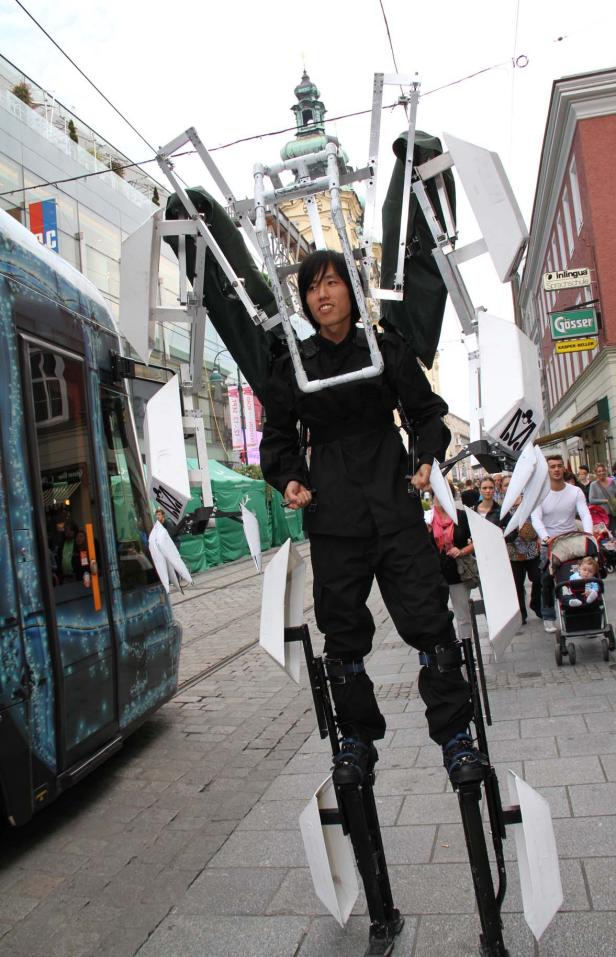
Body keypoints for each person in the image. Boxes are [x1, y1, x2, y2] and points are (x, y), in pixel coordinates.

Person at [260, 249, 484, 785]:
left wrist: (424, 460)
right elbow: (278, 435)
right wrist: (289, 477)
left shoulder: (384, 349)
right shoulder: (293, 363)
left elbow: (427, 413)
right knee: (341, 636)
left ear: (351, 291)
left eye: (333, 282)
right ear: (306, 300)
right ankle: (355, 741)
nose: (323, 295)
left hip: (393, 506)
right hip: (334, 517)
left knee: (431, 626)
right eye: (313, 287)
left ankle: (457, 737)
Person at [531, 454, 593, 633]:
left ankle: (584, 612)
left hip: (571, 541)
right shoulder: (540, 494)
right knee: (547, 580)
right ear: (547, 470)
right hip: (550, 543)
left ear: (564, 468)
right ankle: (549, 616)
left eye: (559, 466)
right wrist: (544, 537)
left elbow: (585, 513)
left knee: (580, 575)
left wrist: (589, 534)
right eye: (552, 467)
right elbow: (536, 517)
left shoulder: (575, 491)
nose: (556, 469)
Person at [427, 491, 476, 640]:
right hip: (435, 573)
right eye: (437, 495)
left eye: (444, 494)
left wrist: (461, 551)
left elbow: (476, 541)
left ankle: (468, 652)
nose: (440, 498)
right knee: (437, 616)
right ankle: (448, 650)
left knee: (462, 615)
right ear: (433, 497)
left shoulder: (461, 516)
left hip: (458, 571)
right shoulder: (427, 518)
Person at [500, 476, 541, 625]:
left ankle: (536, 603)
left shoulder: (528, 503)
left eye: (511, 484)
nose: (509, 487)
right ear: (502, 489)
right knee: (517, 585)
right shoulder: (502, 508)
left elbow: (536, 522)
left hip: (531, 550)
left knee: (538, 578)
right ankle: (521, 614)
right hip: (513, 553)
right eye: (506, 485)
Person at [589, 463, 616, 531]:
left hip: (613, 512)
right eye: (599, 471)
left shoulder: (612, 482)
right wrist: (605, 501)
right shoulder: (593, 485)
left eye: (603, 470)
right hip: (602, 515)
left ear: (605, 471)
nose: (602, 473)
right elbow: (591, 500)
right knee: (606, 535)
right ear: (596, 473)